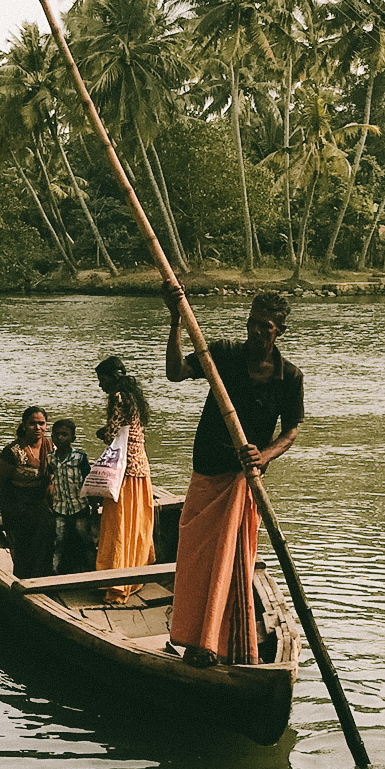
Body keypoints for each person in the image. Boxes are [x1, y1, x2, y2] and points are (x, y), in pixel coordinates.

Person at [164, 286, 303, 668]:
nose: (256, 332)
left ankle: (218, 643)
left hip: (245, 477)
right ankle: (193, 636)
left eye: (266, 327)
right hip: (208, 467)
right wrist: (176, 320)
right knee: (194, 555)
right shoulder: (223, 354)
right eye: (253, 323)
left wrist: (265, 454)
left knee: (233, 560)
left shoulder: (289, 377)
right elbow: (175, 373)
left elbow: (291, 431)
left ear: (279, 331)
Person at [92, 355, 155, 603]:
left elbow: (112, 432)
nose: (100, 385)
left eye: (102, 380)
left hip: (124, 471)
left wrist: (102, 433)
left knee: (119, 525)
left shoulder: (117, 397)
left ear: (112, 378)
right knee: (135, 523)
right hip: (140, 466)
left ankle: (117, 581)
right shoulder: (134, 397)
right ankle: (135, 572)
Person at [0, 407, 54, 578]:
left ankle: (44, 577)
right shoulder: (12, 451)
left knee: (49, 527)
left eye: (41, 424)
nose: (37, 428)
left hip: (40, 501)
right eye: (32, 424)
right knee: (31, 530)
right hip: (16, 504)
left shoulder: (50, 445)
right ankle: (26, 578)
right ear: (24, 425)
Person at [48, 418, 94, 574]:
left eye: (64, 435)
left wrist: (93, 504)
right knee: (57, 542)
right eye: (57, 435)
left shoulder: (80, 458)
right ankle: (54, 574)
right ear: (52, 437)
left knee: (86, 541)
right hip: (59, 508)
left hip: (79, 506)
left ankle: (93, 572)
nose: (60, 438)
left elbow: (88, 481)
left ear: (72, 438)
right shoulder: (51, 459)